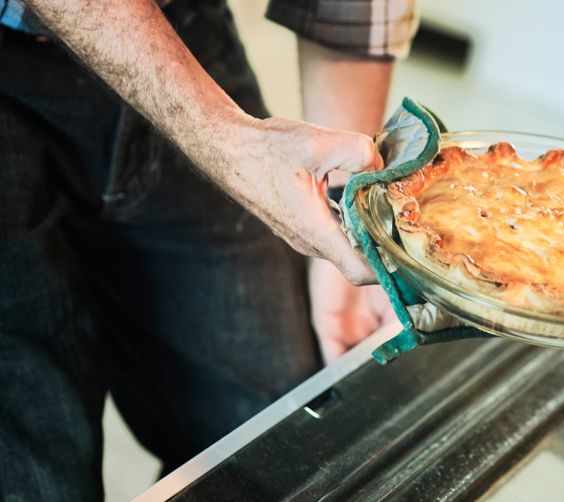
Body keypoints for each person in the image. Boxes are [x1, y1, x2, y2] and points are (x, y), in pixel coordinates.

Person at [0, 0, 415, 498]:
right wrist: (226, 141)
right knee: (41, 477)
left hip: (176, 26)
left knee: (280, 445)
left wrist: (348, 208)